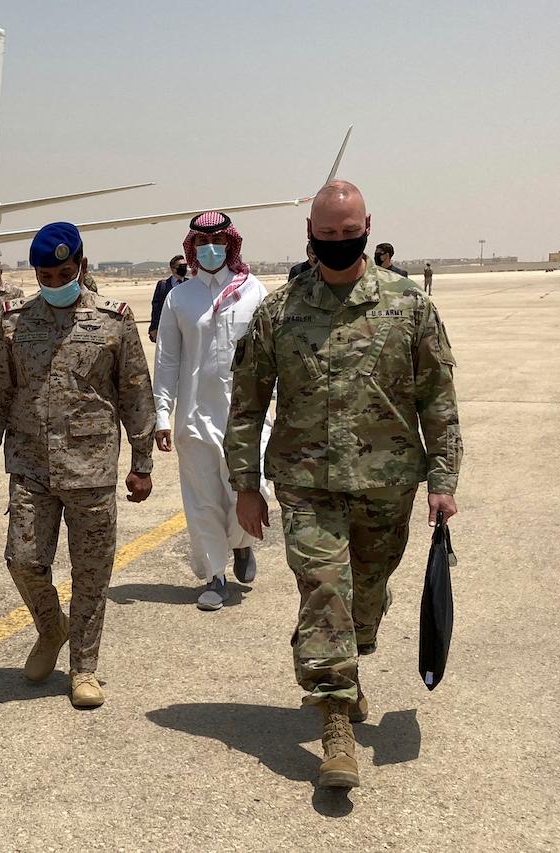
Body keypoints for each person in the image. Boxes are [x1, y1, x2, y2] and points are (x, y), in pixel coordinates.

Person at [225, 180, 462, 789]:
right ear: (310, 232)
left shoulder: (410, 306)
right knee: (324, 589)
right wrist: (245, 485)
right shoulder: (279, 312)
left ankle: (347, 658)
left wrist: (443, 477)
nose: (336, 242)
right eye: (325, 233)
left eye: (347, 231)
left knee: (365, 598)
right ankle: (336, 719)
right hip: (306, 483)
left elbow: (437, 397)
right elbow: (247, 405)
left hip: (387, 485)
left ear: (367, 226)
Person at [0, 221, 156, 709]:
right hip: (30, 465)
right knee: (24, 561)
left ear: (82, 266)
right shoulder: (12, 321)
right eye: (45, 276)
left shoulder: (114, 322)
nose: (54, 283)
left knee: (91, 572)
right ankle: (51, 628)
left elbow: (136, 392)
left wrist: (142, 461)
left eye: (63, 273)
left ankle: (84, 668)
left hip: (91, 467)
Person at [153, 212, 267, 611]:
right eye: (201, 242)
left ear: (231, 243)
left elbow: (271, 360)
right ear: (192, 247)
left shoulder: (254, 292)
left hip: (247, 419)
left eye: (217, 240)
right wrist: (162, 414)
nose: (210, 248)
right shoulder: (179, 298)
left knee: (249, 493)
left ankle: (242, 544)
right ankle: (216, 576)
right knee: (202, 498)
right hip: (195, 417)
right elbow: (167, 361)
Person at [148, 255, 189, 343]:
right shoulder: (163, 285)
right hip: (167, 329)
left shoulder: (190, 284)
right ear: (173, 268)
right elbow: (156, 308)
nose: (184, 269)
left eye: (185, 266)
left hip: (187, 329)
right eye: (181, 267)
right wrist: (154, 327)